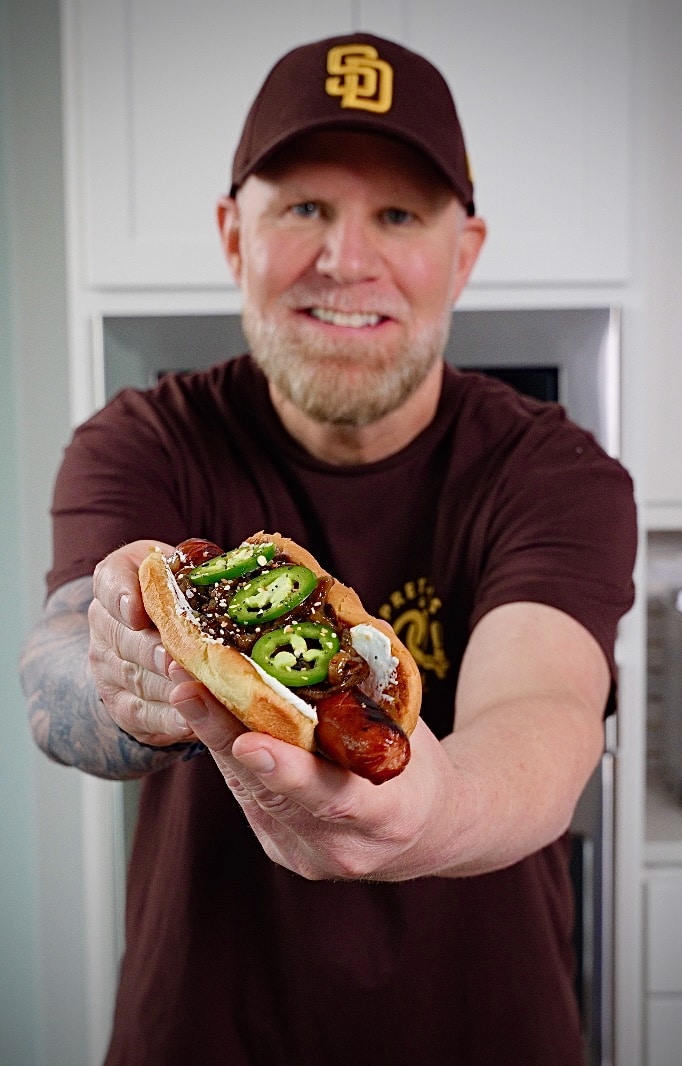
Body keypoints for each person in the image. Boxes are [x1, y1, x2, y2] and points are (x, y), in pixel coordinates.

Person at [21, 32, 637, 1066]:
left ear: (463, 253)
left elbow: (544, 712)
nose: (345, 259)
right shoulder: (140, 441)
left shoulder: (555, 471)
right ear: (233, 235)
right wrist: (128, 669)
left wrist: (430, 810)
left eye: (397, 214)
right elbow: (54, 673)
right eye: (302, 207)